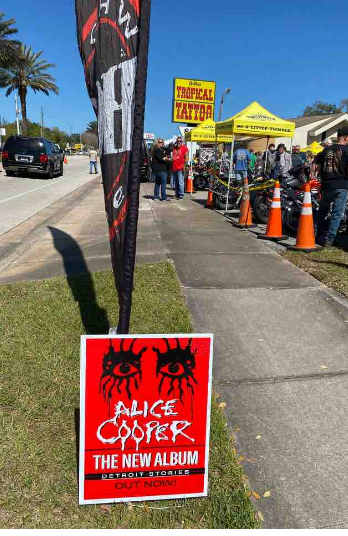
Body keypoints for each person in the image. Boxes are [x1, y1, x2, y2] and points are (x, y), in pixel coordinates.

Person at [316, 128, 348, 247]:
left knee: (322, 211)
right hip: (341, 185)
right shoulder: (347, 150)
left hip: (326, 185)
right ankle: (329, 240)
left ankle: (319, 235)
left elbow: (318, 166)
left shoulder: (326, 150)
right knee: (336, 213)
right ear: (346, 138)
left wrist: (322, 178)